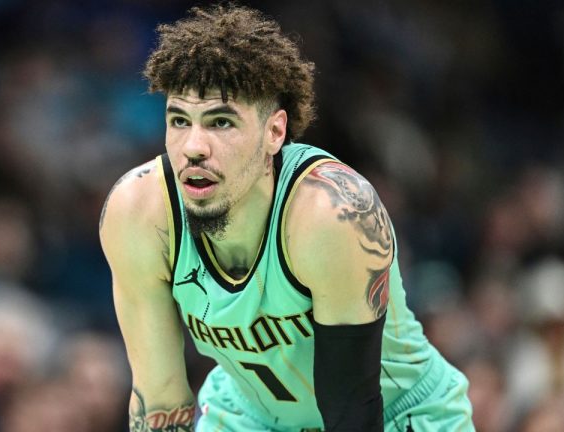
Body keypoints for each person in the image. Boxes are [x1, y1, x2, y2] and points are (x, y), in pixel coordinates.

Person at [100, 4, 474, 431]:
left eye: (221, 122)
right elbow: (160, 402)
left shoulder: (332, 215)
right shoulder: (139, 214)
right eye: (180, 121)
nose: (193, 147)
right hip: (250, 415)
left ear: (274, 132)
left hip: (394, 413)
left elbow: (351, 409)